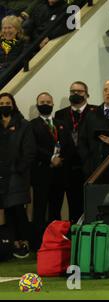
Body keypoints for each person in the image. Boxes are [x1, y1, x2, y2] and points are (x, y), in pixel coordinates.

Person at [30, 92, 73, 250]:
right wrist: (50, 158)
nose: (45, 104)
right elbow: (33, 147)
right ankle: (38, 245)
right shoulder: (32, 125)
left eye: (48, 101)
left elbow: (68, 145)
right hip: (41, 174)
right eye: (42, 101)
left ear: (53, 104)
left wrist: (61, 160)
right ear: (37, 104)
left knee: (56, 210)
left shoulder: (61, 124)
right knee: (39, 210)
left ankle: (56, 243)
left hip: (59, 174)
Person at [54, 81, 97, 223]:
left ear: (87, 94)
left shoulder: (96, 111)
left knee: (91, 205)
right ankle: (74, 238)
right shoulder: (60, 114)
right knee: (73, 206)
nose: (76, 94)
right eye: (73, 91)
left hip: (90, 166)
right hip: (69, 167)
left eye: (79, 91)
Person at [0, 93, 35, 258]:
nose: (5, 105)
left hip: (17, 174)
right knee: (7, 210)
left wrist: (19, 168)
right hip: (2, 175)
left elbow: (29, 150)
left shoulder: (23, 125)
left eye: (7, 103)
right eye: (2, 103)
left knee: (18, 209)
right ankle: (12, 243)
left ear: (13, 105)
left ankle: (24, 242)